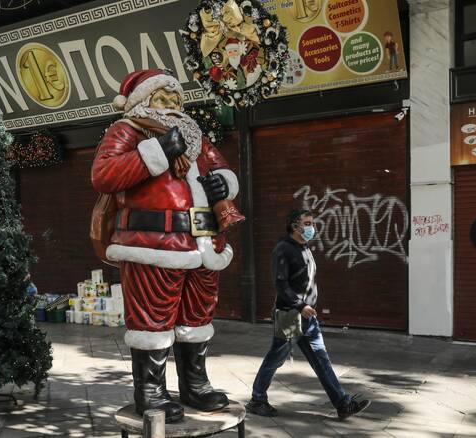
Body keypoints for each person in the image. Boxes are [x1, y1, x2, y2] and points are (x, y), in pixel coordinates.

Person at [91, 69, 241, 422]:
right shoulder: (126, 130)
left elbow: (220, 168)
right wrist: (157, 150)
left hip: (204, 243)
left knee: (197, 316)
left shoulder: (196, 137)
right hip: (153, 243)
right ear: (143, 101)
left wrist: (223, 184)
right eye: (162, 98)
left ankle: (195, 384)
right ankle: (151, 392)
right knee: (151, 320)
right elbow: (104, 175)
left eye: (176, 99)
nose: (172, 104)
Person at [246, 209, 372, 419]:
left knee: (321, 360)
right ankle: (257, 399)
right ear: (295, 226)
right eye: (307, 223)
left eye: (311, 223)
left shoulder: (304, 247)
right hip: (290, 316)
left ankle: (342, 404)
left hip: (308, 319)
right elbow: (280, 284)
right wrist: (299, 305)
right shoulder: (283, 249)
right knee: (275, 359)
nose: (311, 227)